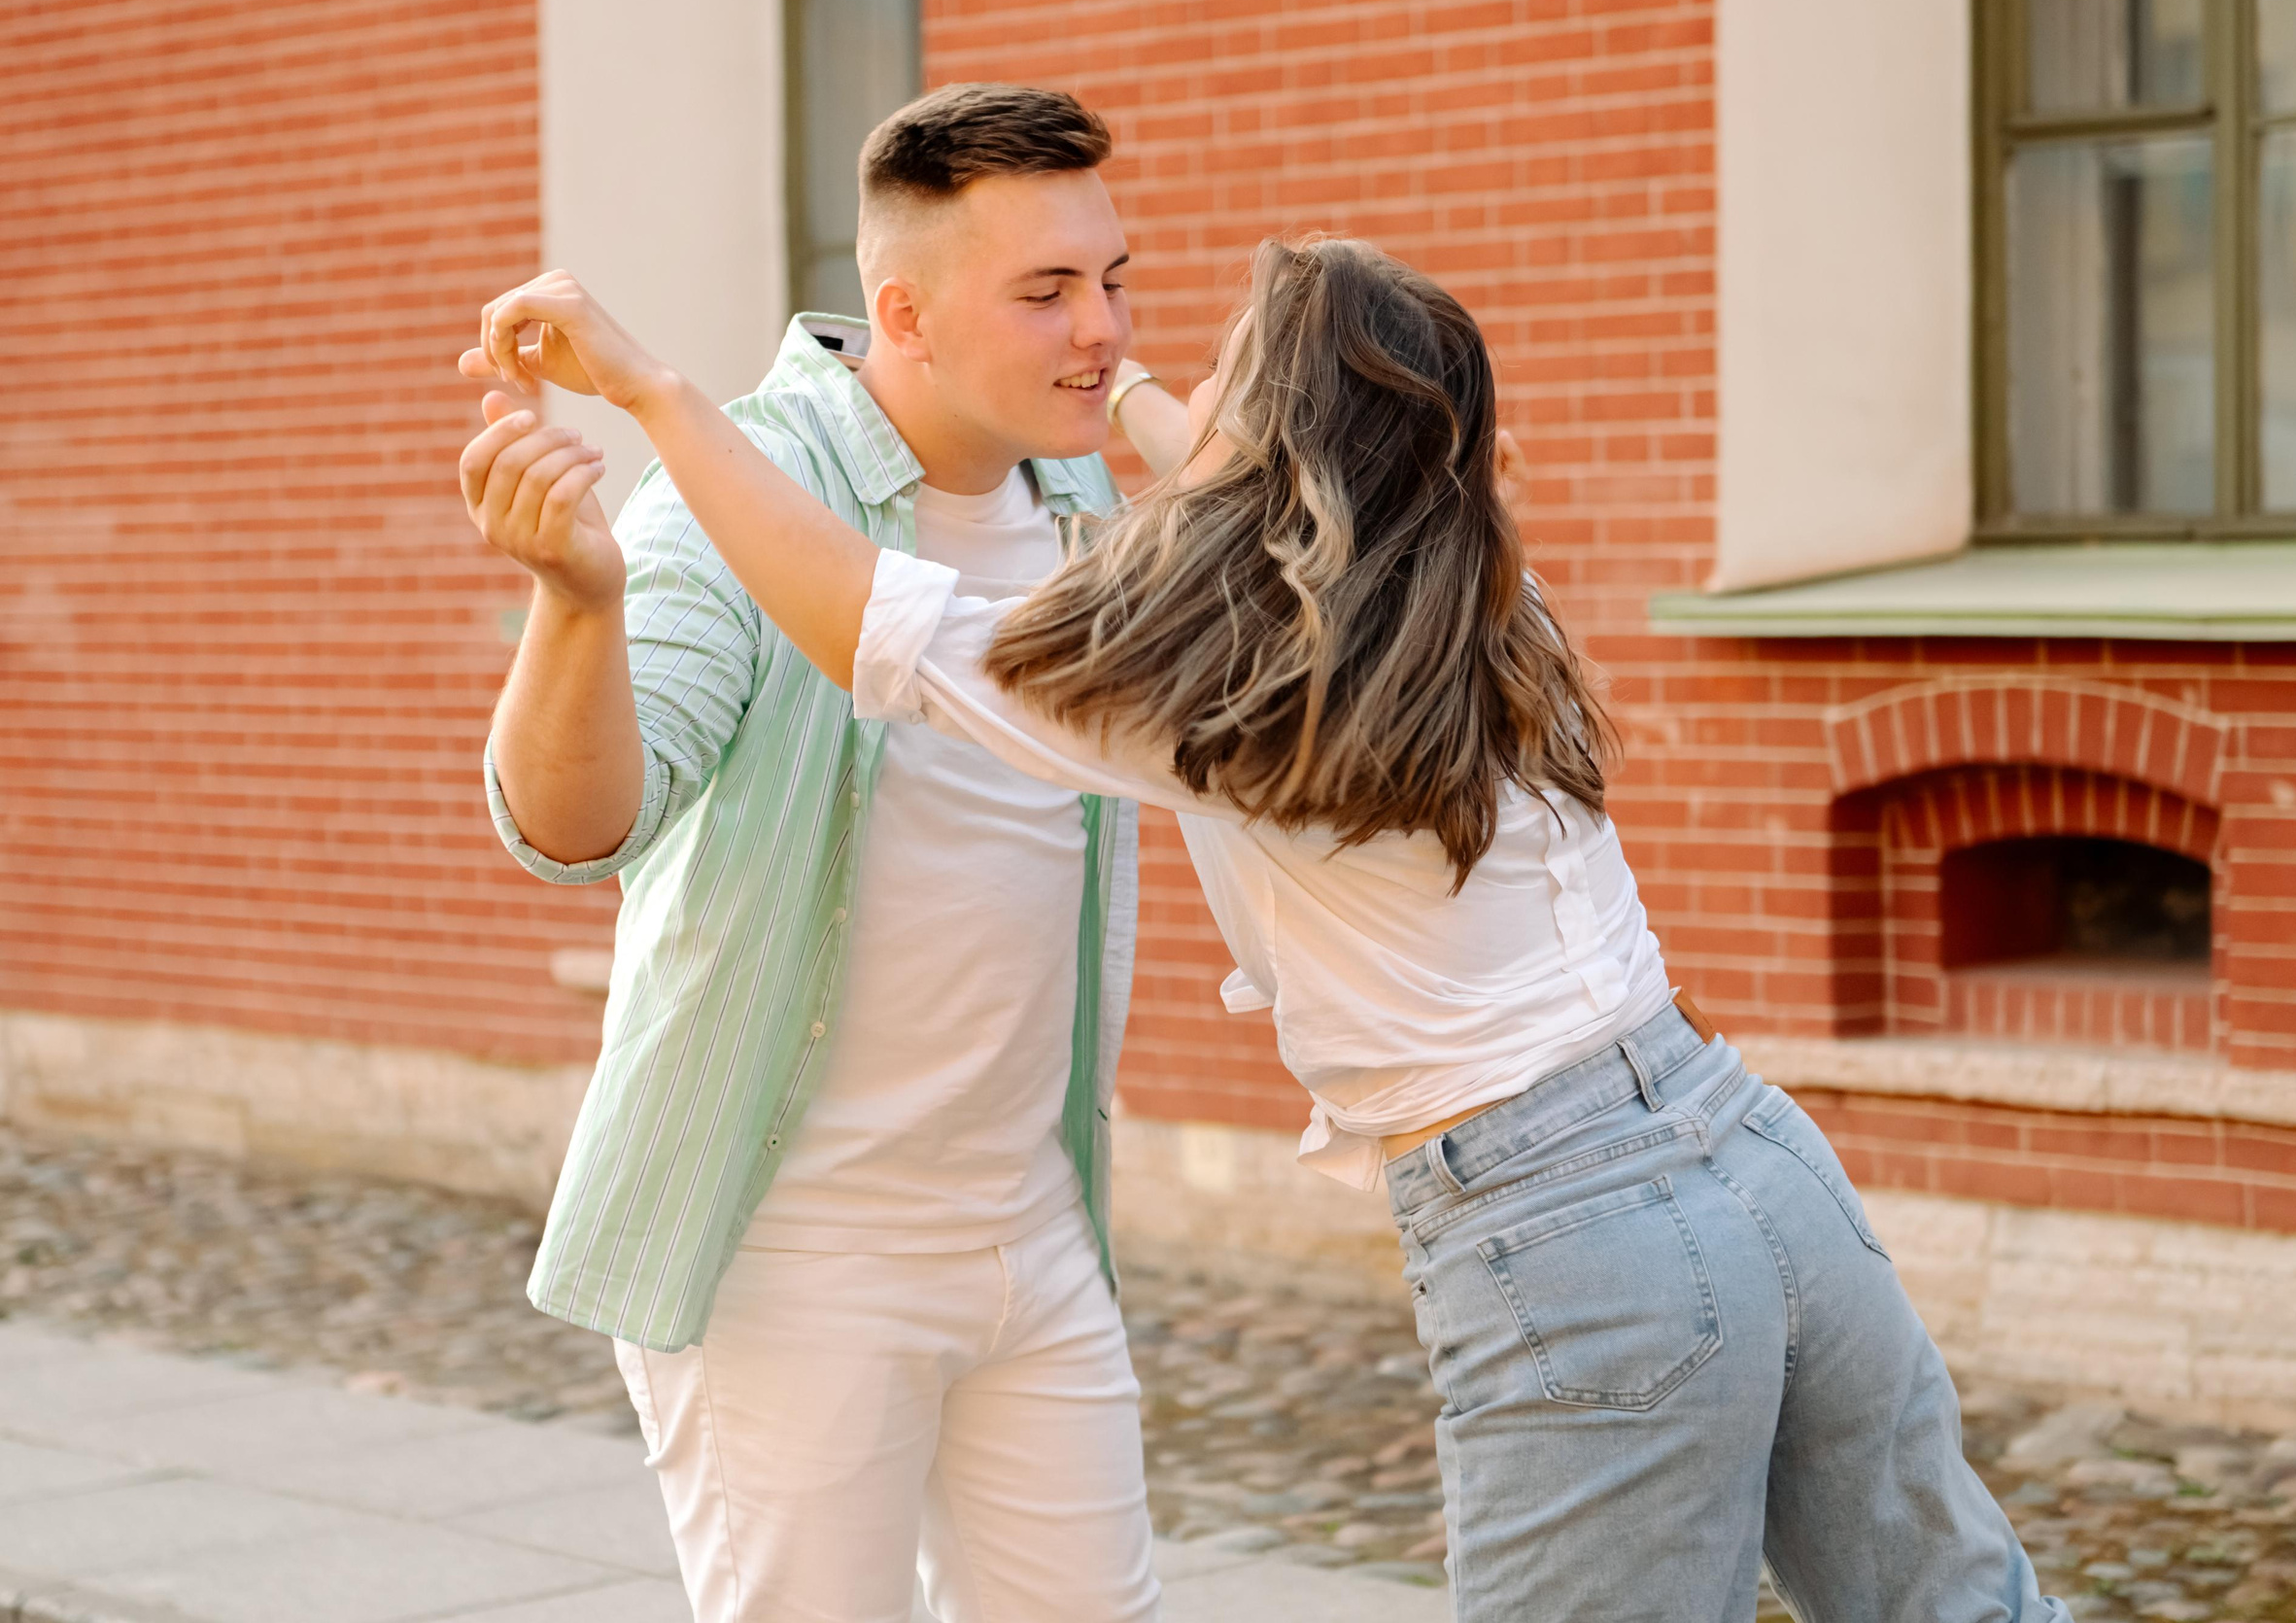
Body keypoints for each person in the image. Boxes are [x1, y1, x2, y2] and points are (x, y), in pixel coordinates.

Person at [463, 237, 2072, 1621]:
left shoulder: (1229, 678)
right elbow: (1230, 446)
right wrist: (1101, 368)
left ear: (1286, 456)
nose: (1152, 373)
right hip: (1752, 1156)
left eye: (1215, 370)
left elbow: (862, 616)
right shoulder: (1460, 584)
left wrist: (660, 394)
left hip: (1581, 1241)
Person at [457, 85, 1162, 1623]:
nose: (1100, 328)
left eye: (1113, 279)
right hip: (800, 1251)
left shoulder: (1089, 499)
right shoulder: (736, 492)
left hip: (1036, 1225)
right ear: (899, 311)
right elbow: (579, 827)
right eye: (1045, 292)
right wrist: (574, 607)